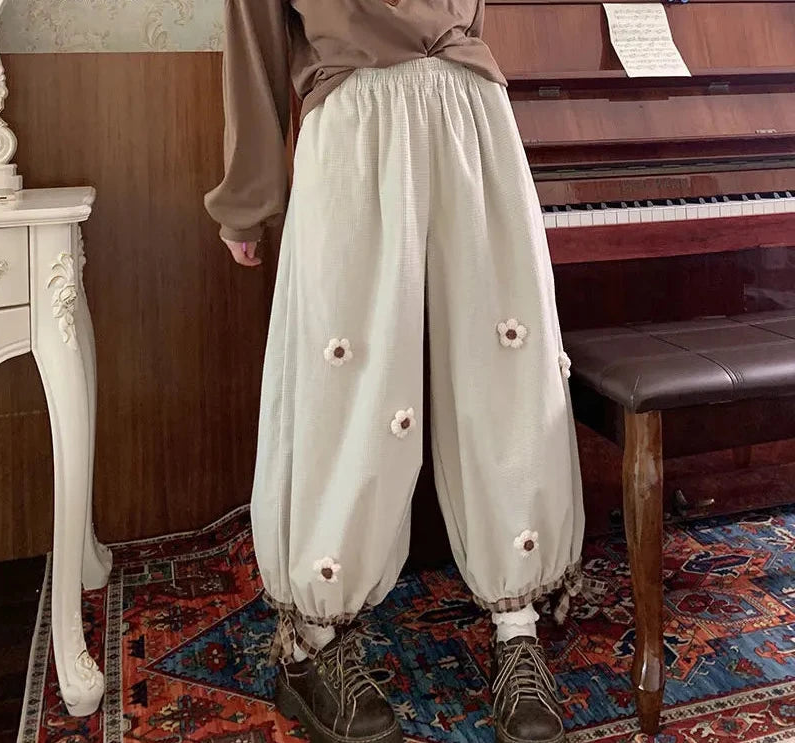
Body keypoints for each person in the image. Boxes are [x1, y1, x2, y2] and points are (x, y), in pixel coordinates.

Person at [205, 2, 585, 742]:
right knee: (345, 387)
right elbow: (252, 41)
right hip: (355, 127)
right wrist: (248, 200)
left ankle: (517, 625)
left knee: (508, 373)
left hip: (474, 119)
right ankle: (314, 643)